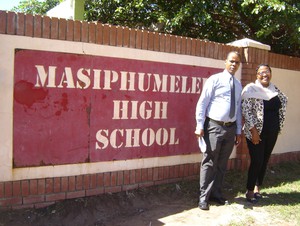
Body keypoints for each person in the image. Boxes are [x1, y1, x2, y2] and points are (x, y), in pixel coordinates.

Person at [195, 51, 242, 210]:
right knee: (209, 161)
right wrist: (200, 125)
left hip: (230, 128)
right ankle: (203, 197)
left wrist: (238, 131)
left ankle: (216, 193)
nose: (234, 64)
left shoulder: (238, 84)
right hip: (214, 126)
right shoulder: (214, 79)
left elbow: (238, 109)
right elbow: (202, 103)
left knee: (222, 164)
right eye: (231, 61)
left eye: (237, 62)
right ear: (225, 61)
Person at [242, 64, 288, 203]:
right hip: (256, 132)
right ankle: (249, 191)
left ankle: (257, 188)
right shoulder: (250, 89)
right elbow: (246, 110)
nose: (264, 75)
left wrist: (279, 125)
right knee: (257, 160)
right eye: (261, 72)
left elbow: (284, 101)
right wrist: (254, 131)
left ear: (271, 74)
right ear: (257, 75)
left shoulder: (274, 90)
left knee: (265, 159)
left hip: (272, 132)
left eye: (267, 72)